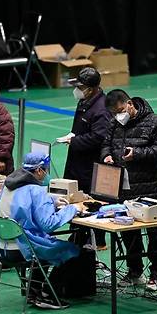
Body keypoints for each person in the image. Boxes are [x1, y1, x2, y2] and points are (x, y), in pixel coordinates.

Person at [101, 89, 157, 291]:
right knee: (128, 234)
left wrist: (138, 154)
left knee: (155, 235)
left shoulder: (154, 121)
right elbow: (106, 143)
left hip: (151, 189)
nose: (118, 115)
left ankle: (156, 274)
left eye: (121, 110)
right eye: (114, 113)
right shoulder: (115, 123)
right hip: (124, 189)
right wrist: (106, 155)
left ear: (130, 104)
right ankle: (134, 271)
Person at [0, 151, 86, 309]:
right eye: (45, 169)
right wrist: (73, 208)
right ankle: (48, 294)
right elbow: (48, 224)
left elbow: (24, 203)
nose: (46, 173)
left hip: (3, 247)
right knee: (72, 251)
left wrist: (51, 201)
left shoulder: (9, 184)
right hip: (24, 249)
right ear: (38, 170)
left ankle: (34, 290)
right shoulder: (35, 191)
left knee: (45, 242)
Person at [63, 67, 112, 250]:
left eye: (80, 86)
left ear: (91, 88)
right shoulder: (86, 101)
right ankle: (78, 236)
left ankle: (96, 240)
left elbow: (99, 137)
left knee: (92, 202)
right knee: (77, 200)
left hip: (90, 166)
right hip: (78, 162)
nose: (77, 90)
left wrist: (74, 141)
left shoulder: (101, 108)